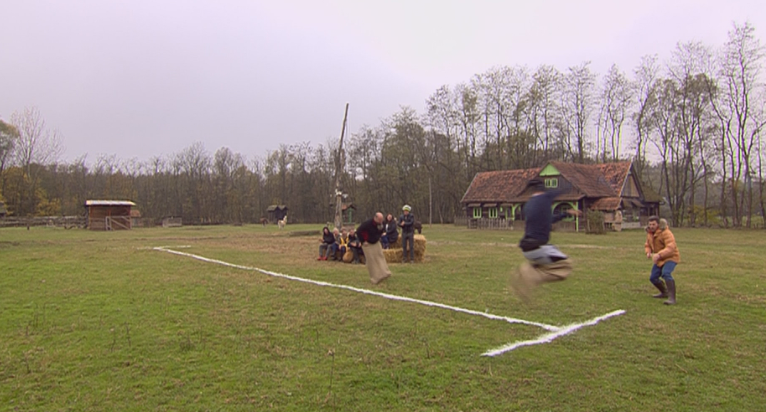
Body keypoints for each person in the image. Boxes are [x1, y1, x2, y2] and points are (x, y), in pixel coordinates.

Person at [511, 178, 582, 301]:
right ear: (543, 190)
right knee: (566, 266)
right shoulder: (545, 198)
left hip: (528, 248)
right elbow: (561, 190)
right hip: (538, 248)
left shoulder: (528, 205)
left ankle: (530, 270)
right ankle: (529, 274)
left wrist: (567, 213)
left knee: (553, 256)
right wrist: (576, 183)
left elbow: (549, 220)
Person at [644, 216, 681, 305]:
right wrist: (648, 252)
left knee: (666, 273)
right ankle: (664, 292)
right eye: (650, 224)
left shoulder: (666, 233)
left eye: (653, 224)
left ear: (658, 224)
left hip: (671, 257)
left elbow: (671, 247)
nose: (651, 226)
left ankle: (672, 298)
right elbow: (647, 245)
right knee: (653, 277)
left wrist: (659, 254)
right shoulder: (650, 234)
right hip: (659, 259)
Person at [356, 212, 392, 284]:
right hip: (367, 244)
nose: (381, 221)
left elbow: (382, 230)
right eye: (379, 220)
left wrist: (380, 234)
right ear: (375, 218)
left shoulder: (381, 224)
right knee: (371, 260)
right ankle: (375, 277)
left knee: (380, 256)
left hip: (376, 241)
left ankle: (385, 272)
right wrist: (363, 241)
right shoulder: (367, 224)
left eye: (382, 220)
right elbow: (358, 231)